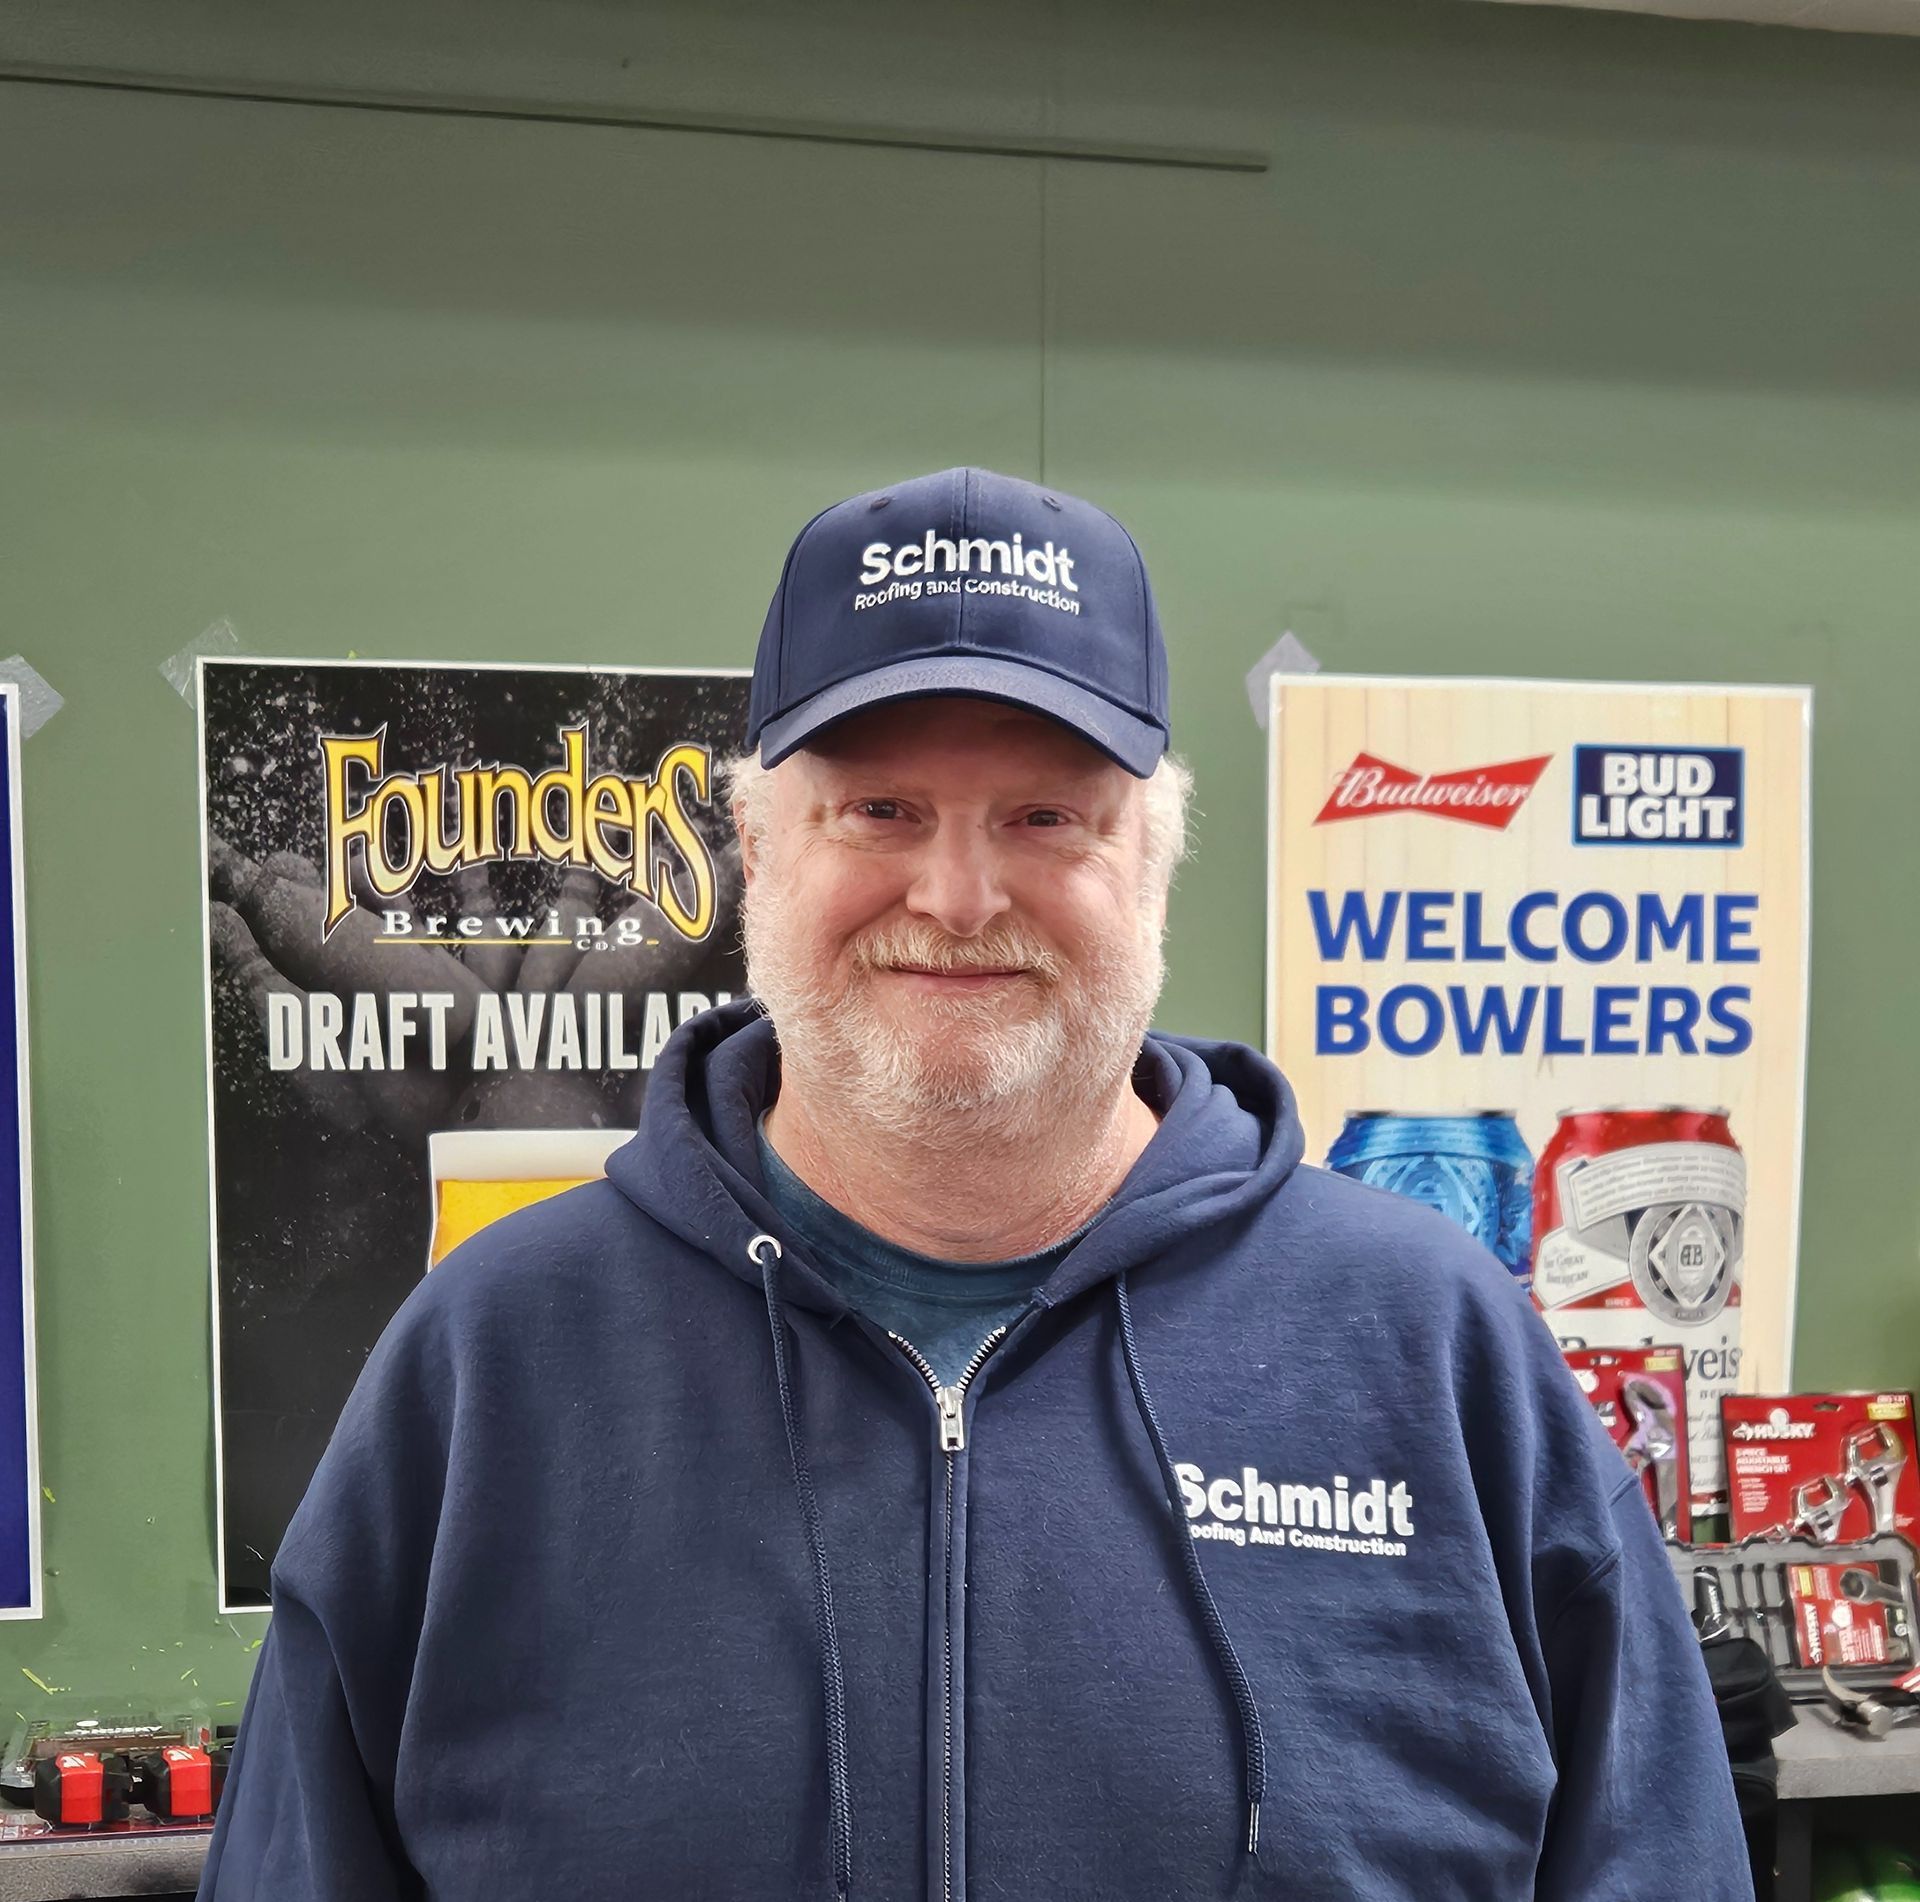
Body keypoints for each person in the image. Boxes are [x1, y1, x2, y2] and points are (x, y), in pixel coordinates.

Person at [199, 467, 1752, 1900]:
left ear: (1152, 853)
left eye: (1044, 814)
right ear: (756, 841)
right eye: (880, 809)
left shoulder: (1435, 1355)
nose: (956, 894)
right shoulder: (490, 1370)